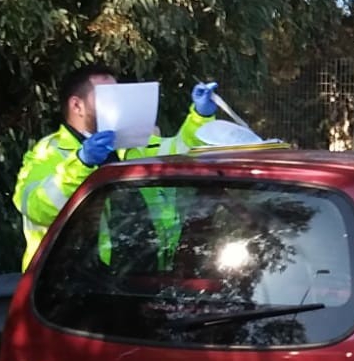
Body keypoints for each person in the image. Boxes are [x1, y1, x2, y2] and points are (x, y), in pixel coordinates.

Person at [13, 65, 219, 270]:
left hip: (144, 278)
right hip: (70, 284)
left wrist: (200, 117)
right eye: (106, 98)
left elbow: (183, 156)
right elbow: (38, 209)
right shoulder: (49, 152)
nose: (117, 105)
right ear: (77, 106)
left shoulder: (133, 143)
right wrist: (82, 163)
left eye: (118, 96)